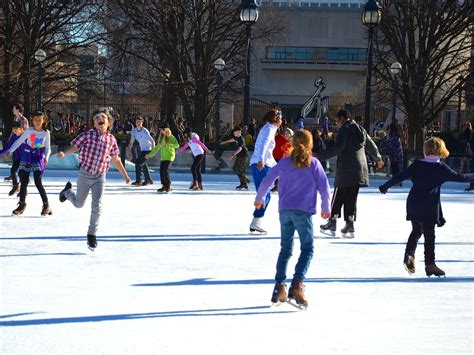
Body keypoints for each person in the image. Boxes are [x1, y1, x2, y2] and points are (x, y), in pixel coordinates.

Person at [254, 129, 331, 309]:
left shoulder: (284, 162)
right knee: (307, 248)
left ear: (292, 144)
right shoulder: (313, 164)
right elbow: (324, 187)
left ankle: (279, 287)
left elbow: (267, 180)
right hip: (303, 212)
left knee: (285, 249)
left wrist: (259, 199)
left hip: (285, 211)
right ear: (310, 144)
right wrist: (326, 207)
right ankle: (297, 285)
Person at [379, 137, 474, 277]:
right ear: (441, 150)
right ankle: (430, 265)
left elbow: (400, 176)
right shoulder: (441, 168)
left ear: (426, 150)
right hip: (429, 205)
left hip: (414, 203)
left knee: (416, 231)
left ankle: (409, 255)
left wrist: (385, 186)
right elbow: (462, 177)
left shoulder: (417, 164)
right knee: (429, 234)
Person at [57, 110, 131, 250]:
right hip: (85, 174)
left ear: (108, 123)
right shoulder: (87, 135)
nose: (100, 119)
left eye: (103, 117)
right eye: (96, 118)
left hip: (100, 176)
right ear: (94, 123)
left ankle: (92, 234)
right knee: (79, 204)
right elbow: (75, 147)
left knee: (97, 205)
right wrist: (64, 153)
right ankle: (67, 193)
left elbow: (115, 159)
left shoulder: (111, 140)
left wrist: (125, 175)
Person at [317, 110, 383, 238]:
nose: (337, 124)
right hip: (360, 169)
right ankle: (349, 224)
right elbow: (370, 144)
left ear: (342, 118)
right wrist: (378, 158)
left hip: (346, 168)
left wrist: (321, 156)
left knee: (339, 195)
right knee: (351, 197)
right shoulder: (361, 129)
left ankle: (332, 222)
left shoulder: (345, 129)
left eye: (337, 121)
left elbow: (339, 147)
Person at [2, 111, 51, 216]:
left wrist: (46, 157)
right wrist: (10, 151)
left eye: (39, 119)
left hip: (38, 157)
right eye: (35, 119)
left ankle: (46, 204)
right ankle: (22, 204)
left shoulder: (46, 133)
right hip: (27, 156)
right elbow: (19, 142)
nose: (37, 122)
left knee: (38, 182)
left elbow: (48, 148)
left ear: (43, 120)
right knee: (23, 181)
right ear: (32, 120)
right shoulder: (29, 131)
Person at [248, 109, 282, 234]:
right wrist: (261, 160)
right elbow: (264, 145)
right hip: (260, 165)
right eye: (281, 118)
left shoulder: (267, 128)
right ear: (275, 119)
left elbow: (267, 151)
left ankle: (256, 221)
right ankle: (256, 221)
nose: (282, 121)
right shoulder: (270, 129)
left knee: (264, 194)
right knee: (264, 194)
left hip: (261, 164)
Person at [145, 124, 180, 193]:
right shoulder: (161, 138)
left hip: (170, 156)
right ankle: (164, 185)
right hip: (163, 157)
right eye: (161, 130)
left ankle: (168, 185)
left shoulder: (171, 137)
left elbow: (177, 145)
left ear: (166, 129)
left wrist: (168, 145)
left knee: (165, 170)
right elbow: (157, 148)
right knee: (161, 170)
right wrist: (149, 155)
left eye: (162, 129)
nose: (161, 131)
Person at [127, 116, 155, 186]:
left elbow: (152, 141)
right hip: (142, 150)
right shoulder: (134, 131)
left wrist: (153, 152)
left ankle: (138, 180)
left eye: (140, 122)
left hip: (148, 150)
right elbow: (131, 142)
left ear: (142, 123)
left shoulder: (145, 131)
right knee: (143, 164)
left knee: (137, 162)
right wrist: (128, 151)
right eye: (137, 122)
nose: (138, 123)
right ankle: (148, 179)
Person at [0, 122, 24, 196]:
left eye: (15, 130)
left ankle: (23, 191)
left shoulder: (25, 136)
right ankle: (15, 186)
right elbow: (7, 147)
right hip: (16, 157)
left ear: (20, 129)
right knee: (13, 170)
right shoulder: (13, 136)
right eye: (13, 130)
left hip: (25, 158)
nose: (14, 132)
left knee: (22, 174)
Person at [271, 127, 294, 192]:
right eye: (285, 133)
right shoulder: (285, 141)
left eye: (288, 133)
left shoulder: (291, 142)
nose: (286, 134)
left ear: (291, 134)